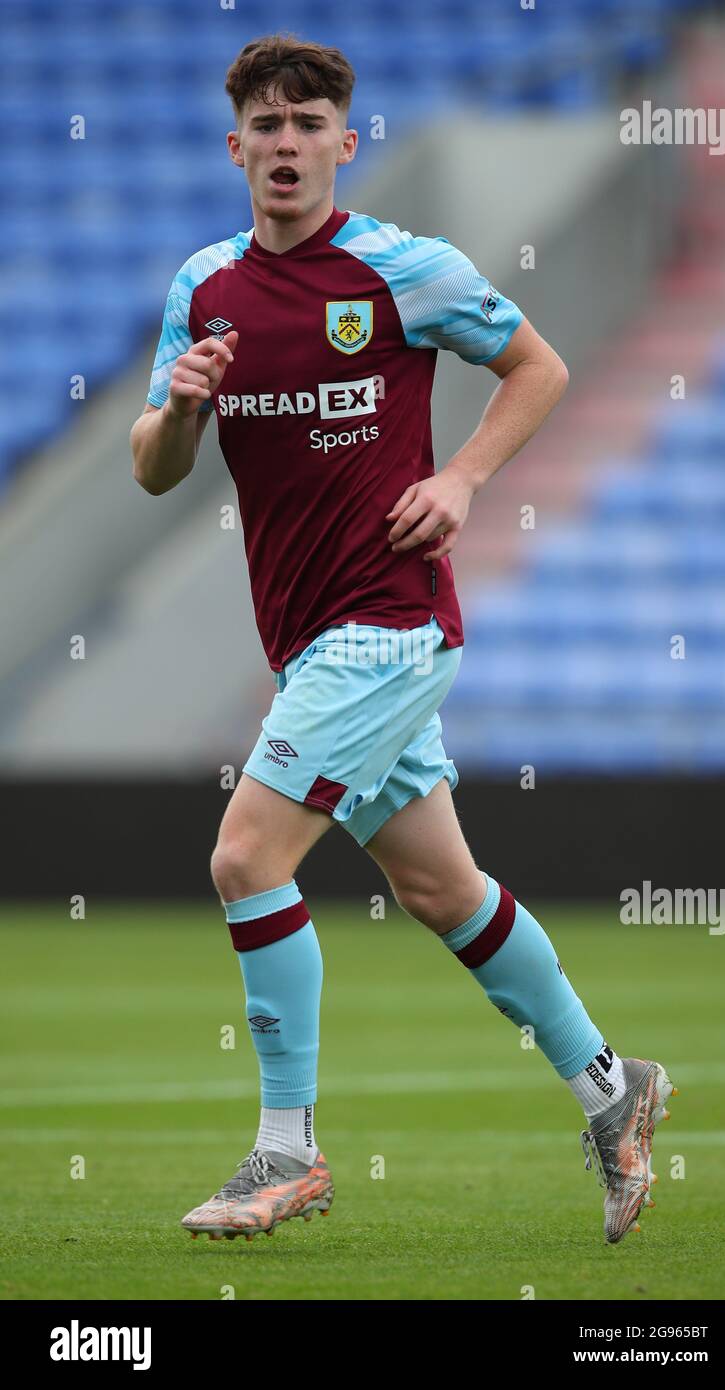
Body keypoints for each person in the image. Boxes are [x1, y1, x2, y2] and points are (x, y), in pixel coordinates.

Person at [130, 34, 676, 1246]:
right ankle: (609, 1085)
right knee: (440, 888)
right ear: (236, 147)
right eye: (264, 125)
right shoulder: (204, 291)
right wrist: (181, 404)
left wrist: (467, 478)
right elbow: (155, 471)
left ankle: (287, 1149)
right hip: (309, 638)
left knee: (244, 859)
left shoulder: (400, 270)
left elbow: (536, 366)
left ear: (343, 142)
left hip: (387, 625)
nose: (285, 143)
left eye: (306, 122)